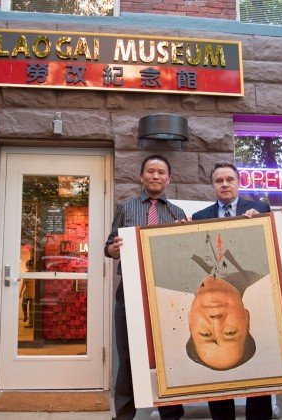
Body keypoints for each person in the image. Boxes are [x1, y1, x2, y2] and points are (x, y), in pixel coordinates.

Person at [105, 155, 186, 420]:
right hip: (129, 290)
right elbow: (108, 247)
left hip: (166, 292)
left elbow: (185, 254)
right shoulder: (126, 208)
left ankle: (171, 413)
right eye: (150, 171)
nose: (155, 176)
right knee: (128, 355)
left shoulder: (177, 214)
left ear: (168, 179)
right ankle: (125, 414)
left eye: (161, 172)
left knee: (167, 354)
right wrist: (113, 249)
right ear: (141, 177)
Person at [192, 161, 272, 420]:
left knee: (258, 374)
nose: (224, 184)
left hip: (254, 292)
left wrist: (261, 223)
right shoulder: (200, 217)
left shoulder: (260, 209)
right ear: (213, 185)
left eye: (230, 179)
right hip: (216, 290)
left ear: (239, 182)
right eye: (219, 180)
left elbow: (269, 247)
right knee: (219, 383)